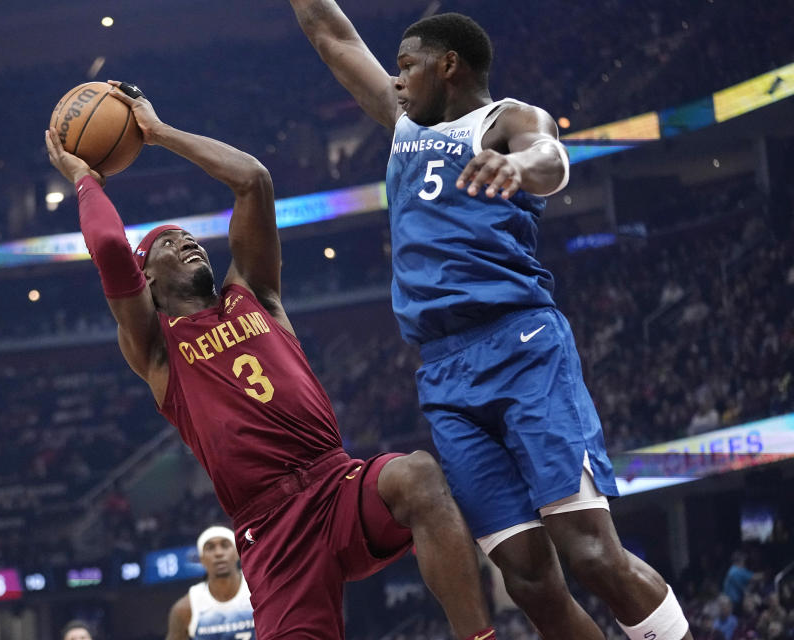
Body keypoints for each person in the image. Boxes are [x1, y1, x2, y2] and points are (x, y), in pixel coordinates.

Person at [286, 3, 692, 639]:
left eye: (406, 65)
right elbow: (329, 32)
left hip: (521, 345)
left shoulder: (504, 118)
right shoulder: (401, 125)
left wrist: (516, 166)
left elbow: (551, 159)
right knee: (526, 579)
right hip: (445, 374)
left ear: (447, 65)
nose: (394, 79)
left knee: (591, 553)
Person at [45, 80, 496, 640]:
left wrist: (159, 134)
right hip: (271, 527)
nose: (188, 243)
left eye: (191, 237)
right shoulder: (156, 346)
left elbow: (253, 180)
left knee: (419, 476)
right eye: (169, 243)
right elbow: (111, 248)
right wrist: (85, 180)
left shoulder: (254, 292)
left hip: (337, 482)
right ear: (149, 280)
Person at [166, 526, 256, 640]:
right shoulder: (185, 608)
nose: (218, 553)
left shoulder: (258, 590)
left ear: (237, 553)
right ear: (201, 559)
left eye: (225, 545)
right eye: (210, 548)